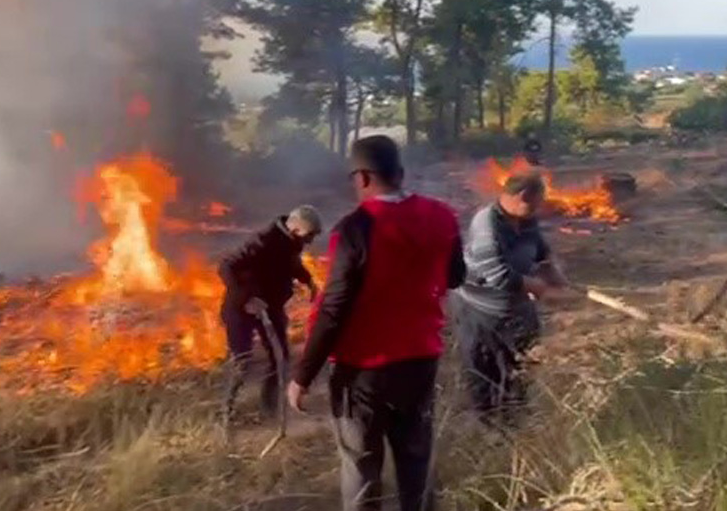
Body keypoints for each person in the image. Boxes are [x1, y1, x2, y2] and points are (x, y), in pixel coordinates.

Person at [289, 135, 465, 511]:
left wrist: (303, 375)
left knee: (362, 467)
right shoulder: (443, 216)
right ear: (400, 172)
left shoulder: (354, 228)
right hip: (420, 361)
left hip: (363, 372)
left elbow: (334, 306)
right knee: (415, 460)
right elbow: (454, 277)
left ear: (363, 178)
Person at [453, 171, 569, 426]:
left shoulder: (526, 219)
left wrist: (554, 272)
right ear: (522, 197)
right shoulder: (486, 224)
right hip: (482, 313)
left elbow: (540, 251)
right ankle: (487, 428)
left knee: (520, 369)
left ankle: (515, 422)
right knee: (485, 373)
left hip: (517, 311)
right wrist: (540, 288)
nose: (538, 209)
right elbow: (499, 276)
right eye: (537, 202)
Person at [219, 206, 321, 419]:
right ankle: (225, 411)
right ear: (295, 230)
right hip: (241, 307)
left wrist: (308, 281)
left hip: (270, 307)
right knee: (242, 360)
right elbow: (226, 266)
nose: (310, 241)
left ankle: (269, 409)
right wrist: (248, 298)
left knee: (280, 356)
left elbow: (292, 264)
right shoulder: (263, 241)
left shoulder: (291, 243)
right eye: (309, 235)